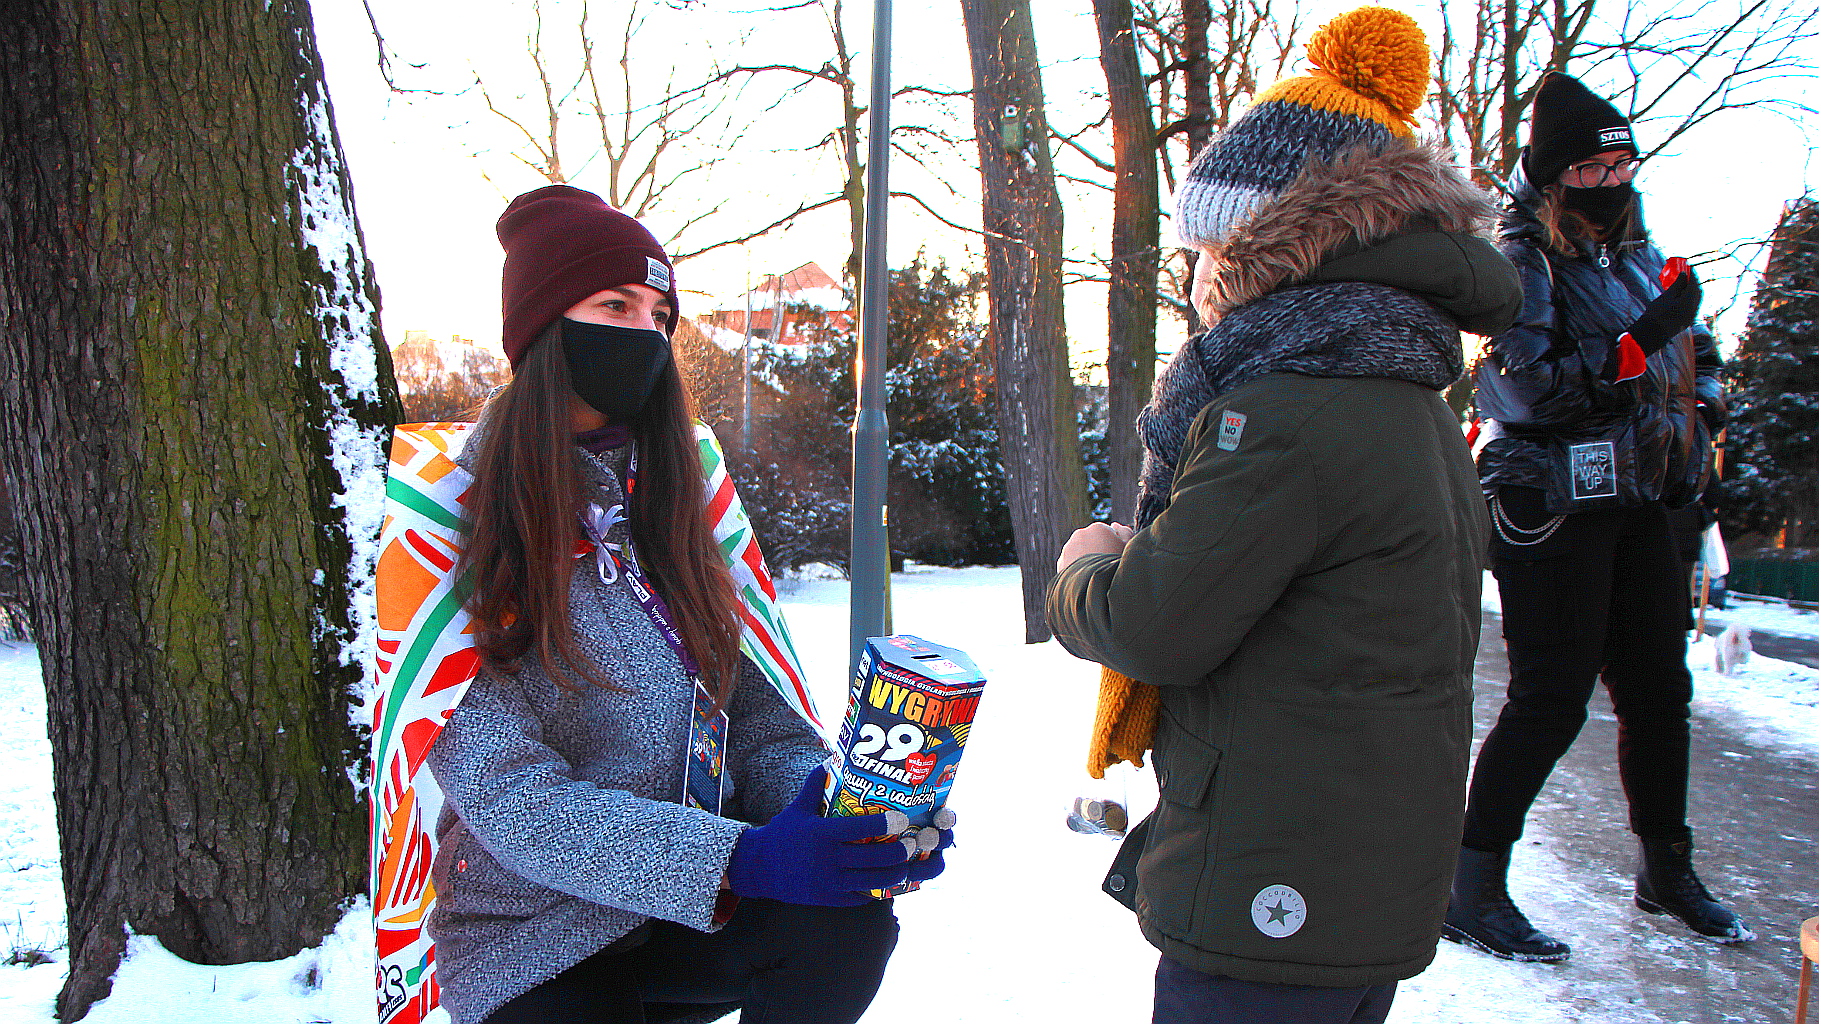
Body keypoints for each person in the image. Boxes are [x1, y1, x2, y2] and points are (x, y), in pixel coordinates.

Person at [1045, 8, 1520, 1023]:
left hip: (1278, 889)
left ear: (1275, 244)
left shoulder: (1286, 410)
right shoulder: (1411, 394)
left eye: (1209, 248)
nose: (1198, 277)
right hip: (1360, 878)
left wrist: (1089, 564)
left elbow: (1154, 623)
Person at [421, 185, 946, 1024]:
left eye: (659, 312)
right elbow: (512, 800)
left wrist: (837, 821)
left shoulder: (681, 497)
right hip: (532, 931)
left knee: (847, 926)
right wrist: (742, 860)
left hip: (693, 912)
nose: (644, 333)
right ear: (543, 326)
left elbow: (760, 717)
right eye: (614, 304)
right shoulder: (449, 517)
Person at [1451, 71, 1748, 962]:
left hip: (1640, 500)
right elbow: (1529, 384)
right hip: (1550, 502)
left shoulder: (1631, 256)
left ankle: (1666, 867)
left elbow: (1692, 353)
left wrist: (1702, 406)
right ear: (1550, 175)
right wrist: (1642, 342)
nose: (1610, 181)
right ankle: (1470, 883)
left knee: (1660, 690)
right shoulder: (1519, 258)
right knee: (1551, 694)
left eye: (1620, 163)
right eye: (1588, 168)